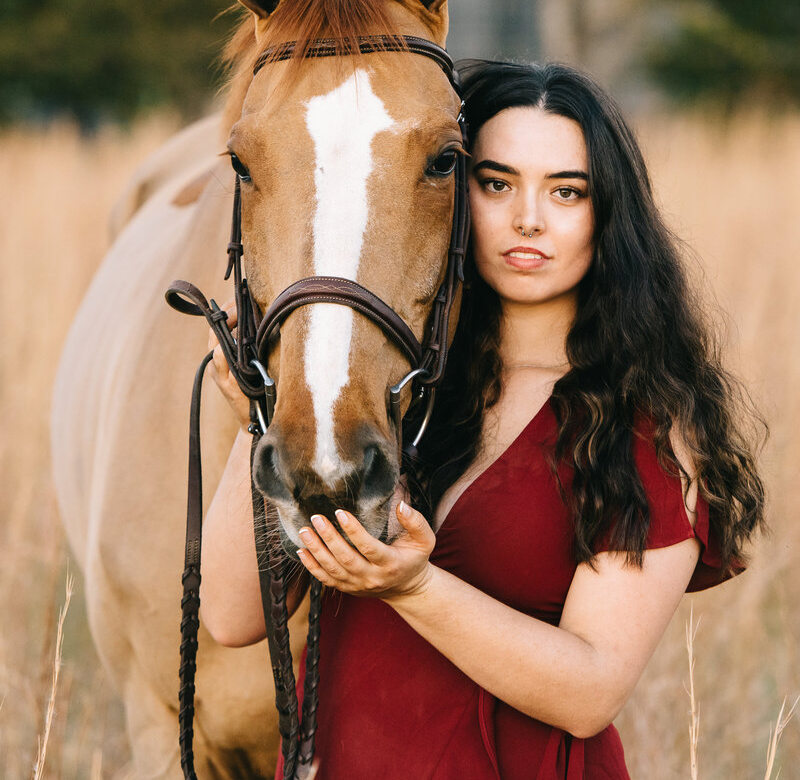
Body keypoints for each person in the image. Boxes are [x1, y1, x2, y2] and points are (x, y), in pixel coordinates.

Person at [202, 59, 766, 779]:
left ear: (608, 214)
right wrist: (268, 412)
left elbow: (591, 689)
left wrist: (413, 587)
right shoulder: (402, 393)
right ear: (449, 194)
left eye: (567, 191)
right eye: (496, 183)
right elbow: (232, 616)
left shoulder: (646, 425)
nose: (528, 217)